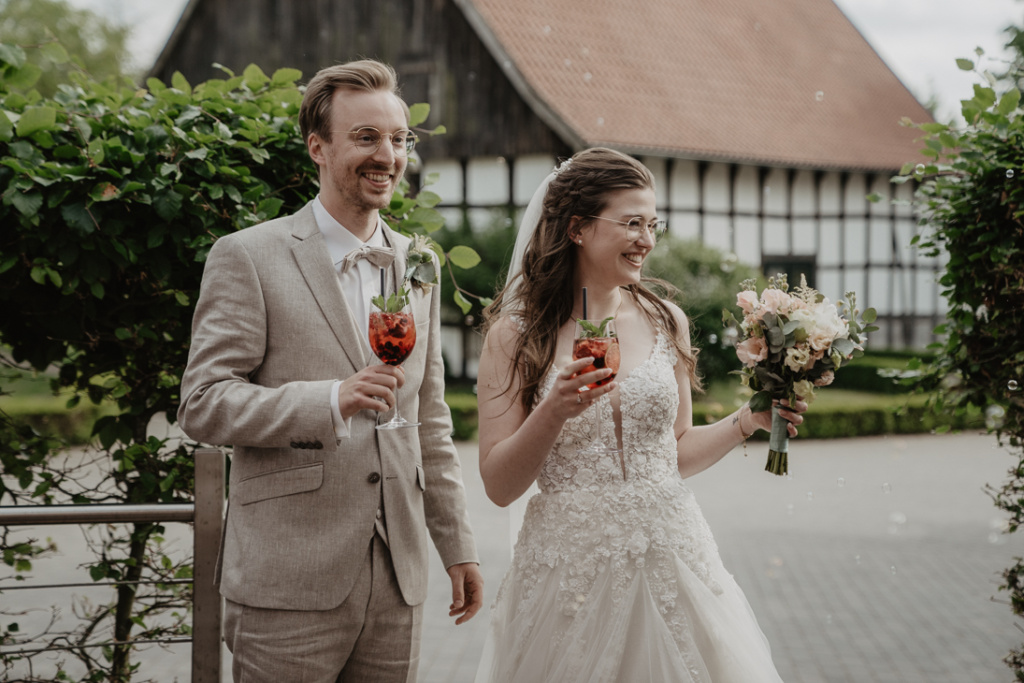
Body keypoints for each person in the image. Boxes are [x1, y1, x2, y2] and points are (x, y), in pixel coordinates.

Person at [178, 59, 482, 683]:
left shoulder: (418, 262)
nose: (388, 155)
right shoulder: (248, 256)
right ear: (318, 147)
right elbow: (203, 404)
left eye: (399, 140)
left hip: (397, 580)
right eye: (366, 137)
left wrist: (458, 547)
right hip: (288, 579)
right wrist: (329, 399)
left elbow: (430, 421)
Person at [473, 147, 806, 682]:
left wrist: (748, 421)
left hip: (673, 555)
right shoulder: (514, 336)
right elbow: (498, 484)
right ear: (578, 228)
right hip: (570, 568)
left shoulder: (665, 319)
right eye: (631, 223)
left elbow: (674, 451)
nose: (647, 240)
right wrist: (554, 411)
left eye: (653, 224)